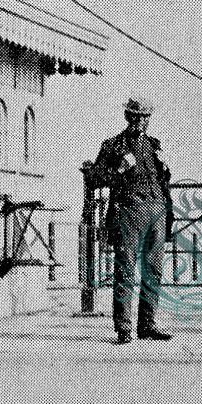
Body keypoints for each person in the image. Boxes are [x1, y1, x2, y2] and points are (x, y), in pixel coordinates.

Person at [82, 97, 174, 344]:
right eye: (134, 116)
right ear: (126, 117)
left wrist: (166, 174)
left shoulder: (155, 146)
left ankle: (147, 324)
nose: (139, 121)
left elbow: (163, 183)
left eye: (144, 117)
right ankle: (124, 328)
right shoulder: (113, 146)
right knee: (125, 270)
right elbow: (94, 178)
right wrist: (120, 169)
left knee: (153, 270)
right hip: (129, 212)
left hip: (156, 212)